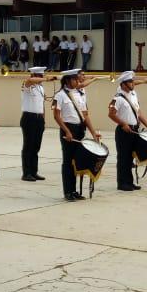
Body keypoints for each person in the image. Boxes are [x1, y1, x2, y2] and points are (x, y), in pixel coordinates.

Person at [53, 69, 100, 201]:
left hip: (79, 129)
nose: (77, 81)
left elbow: (85, 115)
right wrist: (66, 131)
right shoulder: (60, 95)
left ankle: (74, 191)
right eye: (74, 79)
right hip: (68, 129)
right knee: (68, 162)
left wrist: (93, 132)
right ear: (68, 80)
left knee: (77, 161)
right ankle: (68, 191)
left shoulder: (79, 94)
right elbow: (56, 116)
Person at [109, 71, 147, 192]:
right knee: (123, 157)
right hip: (124, 130)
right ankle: (122, 183)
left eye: (132, 81)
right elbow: (111, 114)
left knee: (130, 158)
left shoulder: (134, 95)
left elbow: (138, 113)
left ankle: (129, 182)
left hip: (134, 130)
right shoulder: (117, 98)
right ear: (123, 84)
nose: (132, 83)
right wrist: (123, 123)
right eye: (130, 82)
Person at [20, 66, 55, 182]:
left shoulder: (40, 88)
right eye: (39, 76)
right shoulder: (27, 85)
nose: (41, 78)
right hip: (29, 117)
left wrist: (43, 119)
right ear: (34, 76)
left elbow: (42, 105)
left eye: (42, 76)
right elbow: (29, 81)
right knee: (28, 146)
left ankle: (34, 171)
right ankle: (26, 173)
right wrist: (46, 79)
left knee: (36, 146)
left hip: (38, 118)